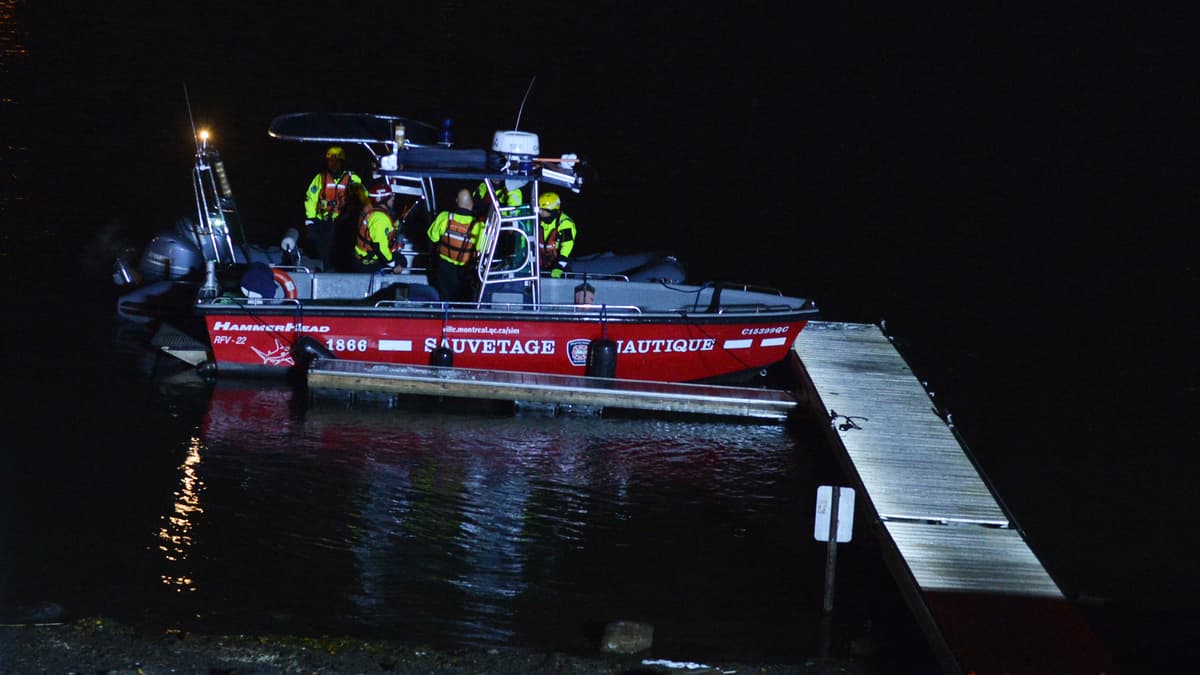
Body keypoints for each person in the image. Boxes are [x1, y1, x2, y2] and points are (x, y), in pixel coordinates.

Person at [303, 145, 364, 271]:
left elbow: (363, 196)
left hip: (344, 224)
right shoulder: (320, 178)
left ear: (343, 162)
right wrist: (310, 221)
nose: (333, 164)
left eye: (336, 161)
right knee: (324, 254)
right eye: (331, 161)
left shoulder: (352, 178)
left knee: (344, 254)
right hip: (324, 223)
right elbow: (311, 199)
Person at [427, 188, 485, 302]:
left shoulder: (444, 217)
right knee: (463, 302)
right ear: (472, 204)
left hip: (444, 268)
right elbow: (482, 249)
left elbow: (433, 237)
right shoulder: (479, 226)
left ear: (456, 201)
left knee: (443, 300)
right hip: (465, 272)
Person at [352, 180, 404, 273]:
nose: (393, 200)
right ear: (383, 199)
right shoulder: (380, 218)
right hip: (369, 261)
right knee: (401, 261)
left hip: (360, 256)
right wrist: (393, 264)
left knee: (398, 257)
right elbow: (379, 247)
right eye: (391, 198)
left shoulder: (370, 209)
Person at [537, 191, 577, 278]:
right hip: (541, 264)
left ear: (553, 210)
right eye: (539, 209)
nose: (540, 212)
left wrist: (559, 266)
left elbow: (567, 246)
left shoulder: (565, 223)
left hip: (560, 264)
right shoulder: (537, 220)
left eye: (543, 210)